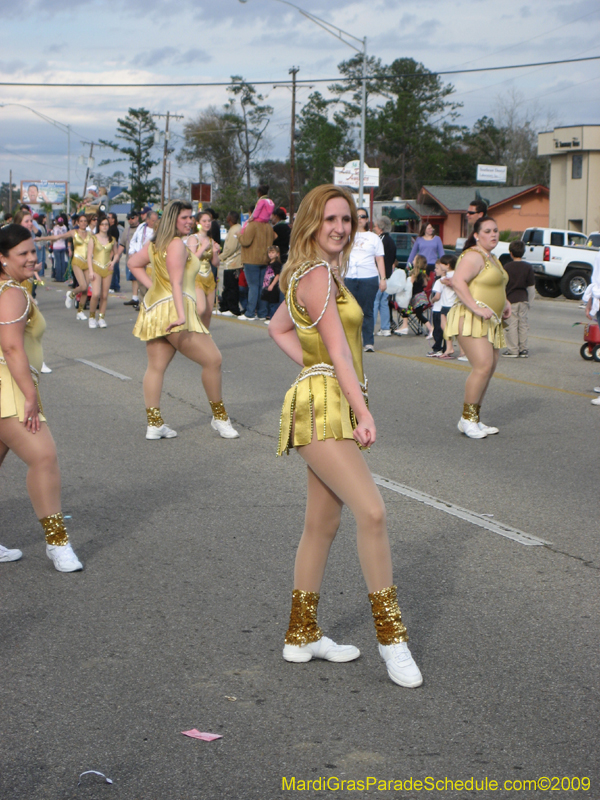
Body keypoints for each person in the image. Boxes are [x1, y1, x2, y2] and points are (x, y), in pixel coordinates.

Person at [269, 184, 422, 688]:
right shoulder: (315, 274)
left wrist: (318, 371)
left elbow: (278, 329)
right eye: (330, 219)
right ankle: (392, 640)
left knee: (321, 525)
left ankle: (301, 635)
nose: (340, 228)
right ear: (312, 223)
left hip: (325, 401)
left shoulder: (317, 274)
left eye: (347, 220)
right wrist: (360, 409)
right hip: (324, 409)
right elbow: (336, 349)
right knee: (373, 511)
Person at [0, 225, 83, 570]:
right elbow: (12, 346)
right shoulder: (12, 293)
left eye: (33, 251)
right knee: (44, 457)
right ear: (2, 259)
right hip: (9, 386)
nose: (33, 258)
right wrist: (30, 394)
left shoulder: (12, 288)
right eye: (23, 253)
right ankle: (58, 544)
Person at [128, 200, 239, 440]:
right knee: (213, 360)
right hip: (174, 311)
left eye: (191, 217)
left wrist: (154, 289)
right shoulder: (176, 243)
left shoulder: (156, 242)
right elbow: (176, 282)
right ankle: (220, 418)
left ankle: (154, 424)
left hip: (155, 309)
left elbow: (134, 264)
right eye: (185, 217)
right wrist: (180, 314)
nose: (190, 221)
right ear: (173, 219)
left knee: (156, 367)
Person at [445, 216, 511, 439]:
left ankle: (474, 418)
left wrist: (506, 303)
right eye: (488, 231)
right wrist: (475, 307)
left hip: (490, 321)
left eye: (496, 230)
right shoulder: (474, 255)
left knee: (489, 368)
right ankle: (468, 419)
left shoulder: (492, 257)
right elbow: (458, 281)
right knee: (482, 366)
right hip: (471, 318)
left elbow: (496, 285)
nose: (493, 234)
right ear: (476, 235)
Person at [345, 208, 386, 352]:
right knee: (349, 311)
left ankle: (368, 342)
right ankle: (350, 341)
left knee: (366, 311)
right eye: (357, 216)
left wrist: (383, 278)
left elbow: (379, 259)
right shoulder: (346, 236)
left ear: (367, 219)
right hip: (349, 276)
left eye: (363, 216)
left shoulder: (373, 237)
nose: (360, 218)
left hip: (368, 277)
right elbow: (339, 255)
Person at [40, 213, 93, 320]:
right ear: (77, 222)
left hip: (87, 263)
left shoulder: (90, 234)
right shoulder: (74, 232)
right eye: (81, 221)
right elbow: (58, 236)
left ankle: (80, 311)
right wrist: (41, 239)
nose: (83, 223)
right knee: (82, 286)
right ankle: (71, 294)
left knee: (85, 289)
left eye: (85, 221)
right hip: (77, 261)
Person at [187, 210, 220, 329]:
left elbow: (216, 263)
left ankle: (204, 338)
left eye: (209, 221)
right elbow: (192, 260)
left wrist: (215, 252)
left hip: (209, 276)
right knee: (201, 309)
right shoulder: (193, 238)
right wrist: (203, 247)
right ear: (197, 223)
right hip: (196, 276)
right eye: (204, 221)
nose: (207, 223)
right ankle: (192, 330)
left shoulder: (210, 240)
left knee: (208, 312)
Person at [502, 240, 535, 358]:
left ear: (510, 253)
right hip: (523, 299)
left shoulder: (506, 267)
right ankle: (523, 349)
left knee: (511, 325)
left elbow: (503, 286)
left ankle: (513, 349)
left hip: (511, 300)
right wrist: (529, 302)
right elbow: (531, 287)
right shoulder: (528, 267)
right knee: (523, 324)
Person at [239, 214, 275, 320]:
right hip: (265, 259)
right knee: (262, 287)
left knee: (253, 286)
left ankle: (250, 312)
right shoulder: (268, 226)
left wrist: (239, 236)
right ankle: (262, 313)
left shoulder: (253, 225)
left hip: (251, 259)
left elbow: (246, 241)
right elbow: (274, 237)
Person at [87, 215, 118, 329]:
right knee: (96, 294)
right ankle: (91, 317)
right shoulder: (93, 238)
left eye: (106, 224)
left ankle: (101, 317)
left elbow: (117, 253)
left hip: (107, 268)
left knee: (104, 295)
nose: (104, 227)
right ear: (99, 226)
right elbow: (89, 255)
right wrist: (90, 271)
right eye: (102, 224)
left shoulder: (112, 239)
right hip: (96, 267)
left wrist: (113, 262)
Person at [394, 255, 434, 338]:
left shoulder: (414, 274)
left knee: (418, 314)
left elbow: (409, 284)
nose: (412, 260)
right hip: (421, 296)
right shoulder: (422, 273)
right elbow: (426, 284)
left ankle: (431, 329)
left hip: (417, 297)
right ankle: (405, 326)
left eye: (414, 259)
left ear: (417, 262)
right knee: (406, 308)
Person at [372, 215, 397, 337]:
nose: (374, 228)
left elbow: (377, 258)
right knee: (384, 302)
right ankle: (386, 327)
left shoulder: (380, 240)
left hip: (378, 274)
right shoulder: (391, 241)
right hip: (388, 274)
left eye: (376, 226)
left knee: (375, 301)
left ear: (380, 228)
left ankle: (370, 327)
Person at [218, 211, 242, 317]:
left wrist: (220, 257)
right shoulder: (236, 228)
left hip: (233, 262)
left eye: (228, 215)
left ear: (230, 219)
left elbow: (230, 248)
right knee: (228, 286)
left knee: (231, 287)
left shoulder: (234, 231)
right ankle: (225, 306)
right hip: (232, 262)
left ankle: (231, 307)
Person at [117, 211, 141, 309]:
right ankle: (135, 298)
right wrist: (116, 256)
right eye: (129, 218)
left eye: (133, 218)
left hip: (141, 259)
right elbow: (122, 245)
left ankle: (143, 301)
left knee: (142, 280)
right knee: (133, 279)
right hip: (130, 260)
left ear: (137, 217)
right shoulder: (126, 231)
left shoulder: (142, 229)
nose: (131, 220)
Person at [261, 244, 283, 321]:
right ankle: (268, 316)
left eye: (273, 252)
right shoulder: (269, 263)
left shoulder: (277, 264)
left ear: (277, 254)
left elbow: (277, 275)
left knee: (273, 303)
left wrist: (272, 285)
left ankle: (273, 318)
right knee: (267, 302)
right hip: (267, 285)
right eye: (269, 253)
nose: (270, 254)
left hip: (273, 286)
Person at [50, 216, 70, 283]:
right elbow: (66, 236)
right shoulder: (65, 227)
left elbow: (55, 237)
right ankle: (63, 277)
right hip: (63, 246)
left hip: (56, 246)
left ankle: (58, 277)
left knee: (58, 263)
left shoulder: (55, 228)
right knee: (62, 262)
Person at [107, 212, 122, 292]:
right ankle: (116, 285)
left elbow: (114, 243)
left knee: (113, 269)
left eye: (109, 217)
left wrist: (112, 254)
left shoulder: (113, 229)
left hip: (113, 251)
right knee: (115, 269)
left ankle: (113, 286)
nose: (108, 219)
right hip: (111, 251)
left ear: (113, 219)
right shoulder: (111, 228)